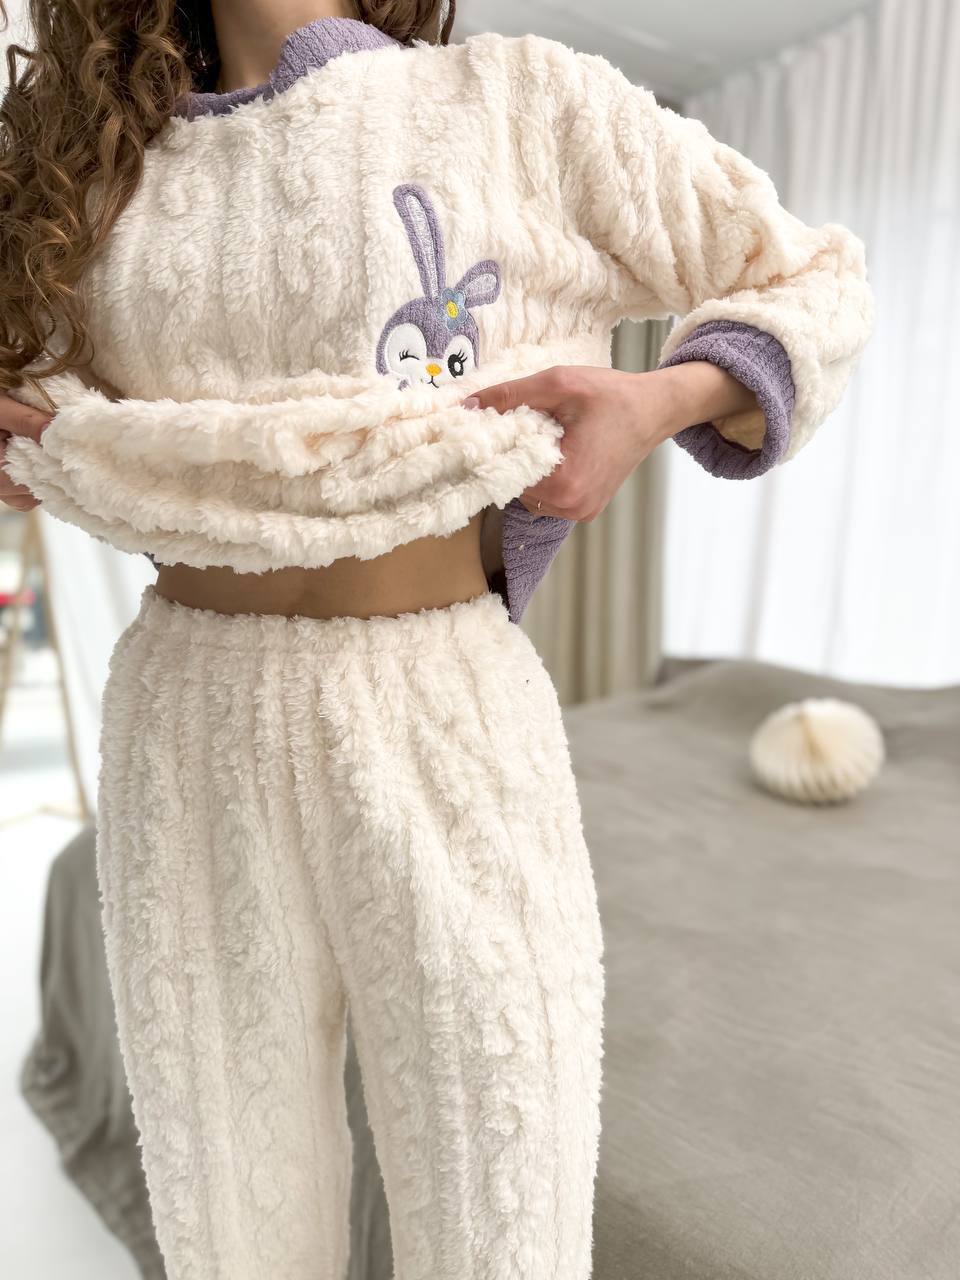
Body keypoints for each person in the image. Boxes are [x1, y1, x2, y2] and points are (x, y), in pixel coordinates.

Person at [0, 1, 874, 1276]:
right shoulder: (90, 175)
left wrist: (654, 401)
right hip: (183, 718)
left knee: (502, 1207)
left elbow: (814, 279)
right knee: (229, 1214)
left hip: (438, 696)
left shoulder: (519, 102)